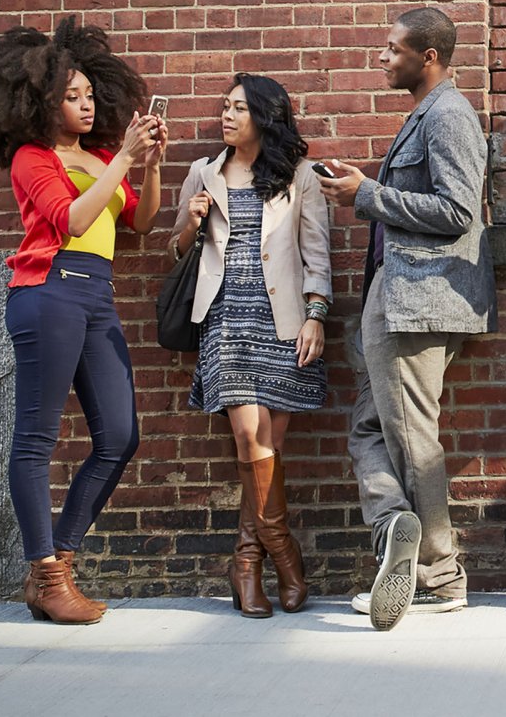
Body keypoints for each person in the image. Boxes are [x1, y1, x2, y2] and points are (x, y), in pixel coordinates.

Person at [0, 17, 165, 624]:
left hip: (96, 297)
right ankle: (47, 576)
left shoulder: (101, 156)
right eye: (70, 97)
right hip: (48, 292)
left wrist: (146, 163)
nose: (84, 105)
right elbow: (73, 220)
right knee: (36, 437)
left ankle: (58, 560)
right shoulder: (33, 157)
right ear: (39, 102)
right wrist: (121, 161)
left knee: (120, 436)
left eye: (88, 95)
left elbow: (142, 223)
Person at [318, 7, 498, 630]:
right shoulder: (428, 115)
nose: (382, 57)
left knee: (409, 434)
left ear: (428, 57)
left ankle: (440, 572)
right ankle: (397, 523)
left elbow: (455, 211)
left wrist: (364, 194)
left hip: (418, 299)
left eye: (393, 49)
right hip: (399, 295)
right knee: (373, 427)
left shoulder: (448, 115)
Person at [172, 74, 331, 618]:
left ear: (265, 116)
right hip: (225, 322)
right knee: (249, 437)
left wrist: (316, 317)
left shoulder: (301, 177)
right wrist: (189, 223)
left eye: (239, 108)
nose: (227, 115)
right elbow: (177, 248)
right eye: (225, 107)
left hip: (283, 321)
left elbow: (317, 254)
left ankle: (245, 562)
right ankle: (284, 554)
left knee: (269, 446)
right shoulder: (203, 173)